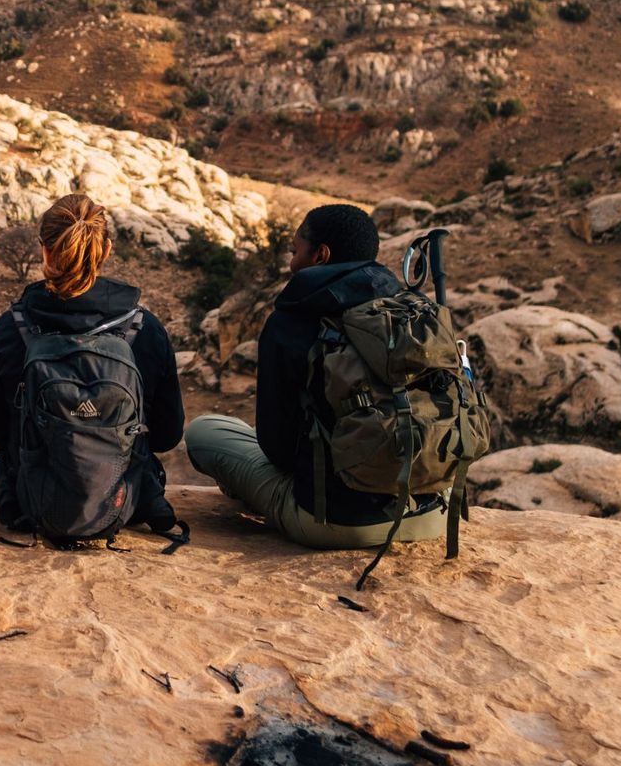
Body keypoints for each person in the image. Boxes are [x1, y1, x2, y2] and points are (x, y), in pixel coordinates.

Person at [184, 203, 447, 548]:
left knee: (205, 432)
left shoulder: (291, 322)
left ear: (320, 255)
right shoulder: (413, 312)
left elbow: (277, 450)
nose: (291, 262)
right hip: (432, 514)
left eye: (295, 251)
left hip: (333, 522)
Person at [0, 194, 184, 537]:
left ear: (45, 252)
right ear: (107, 251)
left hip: (32, 503)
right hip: (120, 502)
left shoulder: (12, 329)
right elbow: (167, 435)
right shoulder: (145, 330)